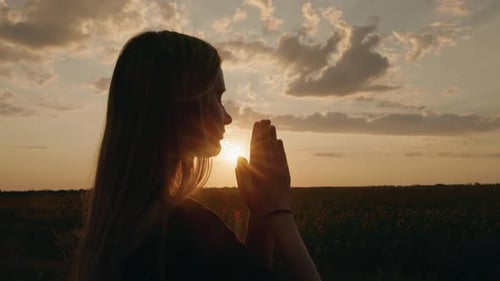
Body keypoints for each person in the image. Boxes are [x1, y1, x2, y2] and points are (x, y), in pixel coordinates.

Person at [72, 30, 322, 281]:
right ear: (179, 103)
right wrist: (278, 211)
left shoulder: (119, 231)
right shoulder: (186, 229)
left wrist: (258, 214)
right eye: (216, 95)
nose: (227, 117)